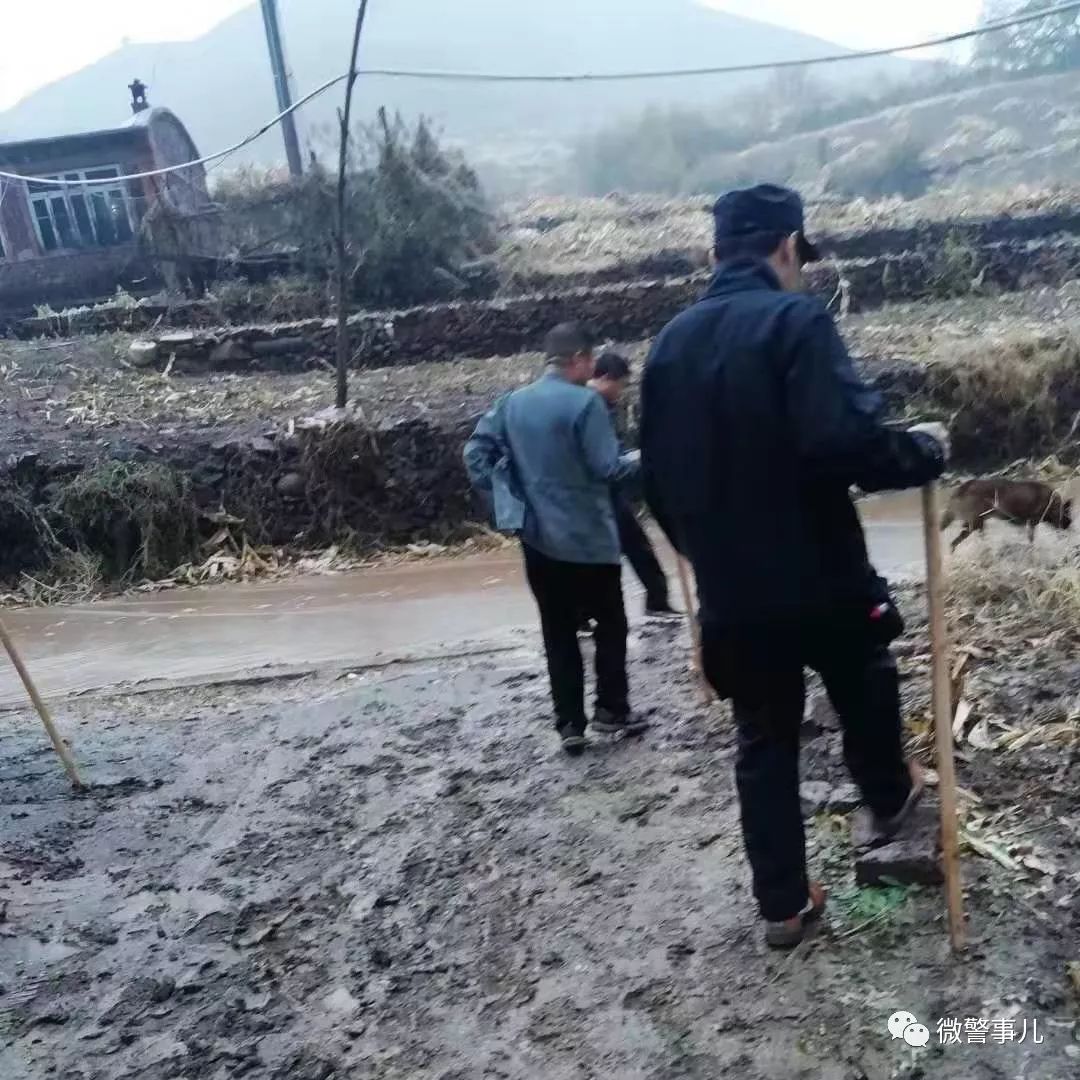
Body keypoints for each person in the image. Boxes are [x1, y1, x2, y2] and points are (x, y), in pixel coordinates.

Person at [640, 184, 949, 949]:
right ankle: (890, 795)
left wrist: (705, 551)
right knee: (867, 679)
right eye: (799, 257)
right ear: (786, 248)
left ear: (715, 255)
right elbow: (847, 442)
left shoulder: (669, 346)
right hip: (821, 575)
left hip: (735, 595)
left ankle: (783, 904)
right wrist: (923, 451)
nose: (802, 270)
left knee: (764, 739)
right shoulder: (796, 320)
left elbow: (657, 482)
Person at [464, 321, 649, 755]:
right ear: (582, 359)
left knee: (558, 632)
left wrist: (506, 501)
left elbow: (475, 454)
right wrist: (650, 455)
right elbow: (609, 469)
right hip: (589, 540)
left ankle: (569, 723)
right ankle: (611, 712)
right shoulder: (585, 404)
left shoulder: (513, 403)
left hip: (538, 541)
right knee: (611, 625)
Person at [588, 351, 678, 619]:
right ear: (605, 378)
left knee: (631, 548)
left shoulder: (599, 405)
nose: (622, 391)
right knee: (620, 552)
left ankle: (656, 601)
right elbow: (604, 459)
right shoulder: (590, 406)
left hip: (605, 493)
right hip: (596, 494)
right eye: (621, 384)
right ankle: (654, 602)